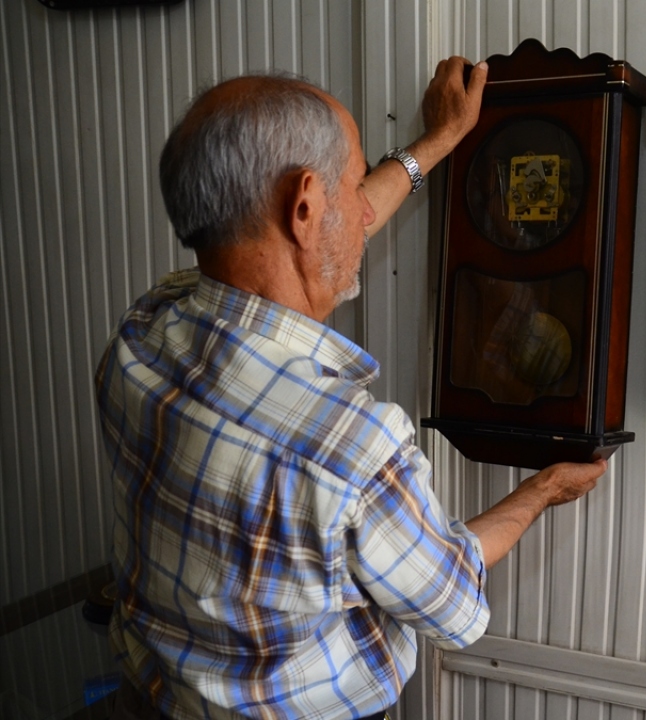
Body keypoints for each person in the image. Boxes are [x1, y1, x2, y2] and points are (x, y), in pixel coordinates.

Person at [95, 57, 607, 720]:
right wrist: (542, 491)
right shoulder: (347, 444)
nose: (363, 204)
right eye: (351, 181)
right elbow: (449, 600)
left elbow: (337, 227)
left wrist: (439, 142)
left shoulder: (144, 326)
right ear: (305, 207)